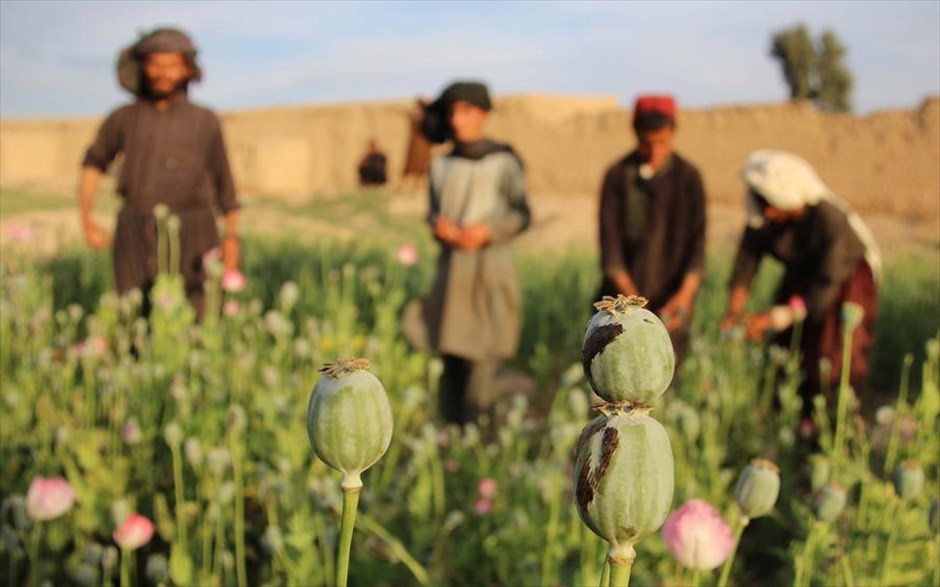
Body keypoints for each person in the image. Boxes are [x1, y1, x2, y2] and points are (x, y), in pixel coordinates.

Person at [78, 27, 241, 317]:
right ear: (143, 68)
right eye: (155, 64)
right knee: (132, 317)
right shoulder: (123, 118)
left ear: (187, 69)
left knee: (198, 317)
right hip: (134, 231)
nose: (162, 73)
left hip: (195, 233)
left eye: (171, 65)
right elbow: (93, 164)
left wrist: (231, 237)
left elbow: (225, 184)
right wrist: (87, 218)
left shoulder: (205, 120)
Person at [403, 81, 531, 426]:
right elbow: (432, 211)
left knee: (483, 356)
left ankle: (480, 435)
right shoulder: (441, 165)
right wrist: (439, 227)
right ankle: (451, 433)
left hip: (490, 270)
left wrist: (487, 232)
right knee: (450, 353)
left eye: (467, 111)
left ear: (484, 114)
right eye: (453, 112)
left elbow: (522, 214)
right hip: (452, 272)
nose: (459, 120)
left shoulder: (503, 161)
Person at [720, 150, 881, 419]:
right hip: (802, 277)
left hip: (845, 281)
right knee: (785, 353)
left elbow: (823, 286)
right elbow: (746, 263)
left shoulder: (829, 220)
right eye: (765, 204)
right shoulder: (765, 215)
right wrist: (734, 314)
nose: (769, 211)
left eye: (773, 204)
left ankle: (832, 427)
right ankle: (788, 424)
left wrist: (774, 318)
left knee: (832, 356)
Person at [596, 95, 707, 363]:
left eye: (663, 142)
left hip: (672, 304)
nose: (655, 151)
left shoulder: (689, 178)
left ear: (673, 134)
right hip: (622, 302)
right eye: (647, 143)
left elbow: (698, 247)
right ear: (635, 132)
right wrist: (632, 308)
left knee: (666, 373)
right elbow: (610, 251)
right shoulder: (618, 176)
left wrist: (685, 296)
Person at [398, 98, 433, 191]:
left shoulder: (426, 118)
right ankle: (406, 185)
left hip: (423, 143)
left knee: (422, 164)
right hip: (414, 143)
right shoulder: (414, 116)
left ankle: (419, 185)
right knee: (411, 162)